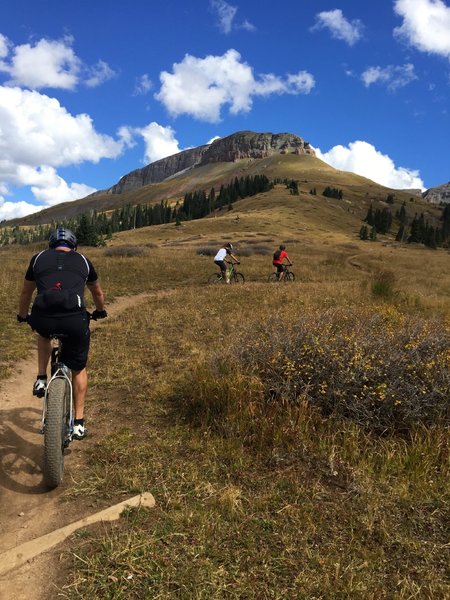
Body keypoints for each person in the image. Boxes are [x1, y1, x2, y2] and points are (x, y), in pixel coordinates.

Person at [17, 227, 107, 440]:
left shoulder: (37, 258)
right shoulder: (83, 260)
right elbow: (97, 292)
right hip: (74, 320)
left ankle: (41, 377)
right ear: (74, 247)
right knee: (79, 368)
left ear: (51, 246)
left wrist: (22, 315)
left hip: (43, 317)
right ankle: (78, 422)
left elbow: (26, 292)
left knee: (44, 333)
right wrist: (100, 310)